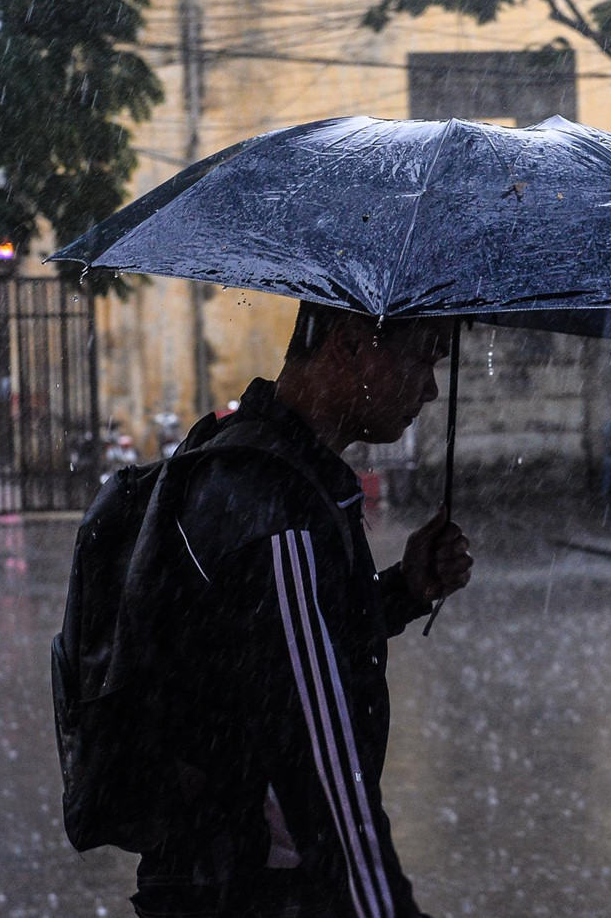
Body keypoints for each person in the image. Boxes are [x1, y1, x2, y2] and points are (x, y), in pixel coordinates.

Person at [129, 301, 473, 918]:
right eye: (423, 356)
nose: (429, 388)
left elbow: (285, 648)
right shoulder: (276, 507)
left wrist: (400, 591)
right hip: (255, 892)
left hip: (217, 878)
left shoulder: (251, 457)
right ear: (346, 346)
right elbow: (328, 780)